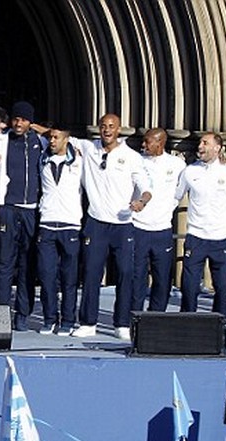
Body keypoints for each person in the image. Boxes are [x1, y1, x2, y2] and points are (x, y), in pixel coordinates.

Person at [68, 114, 152, 340]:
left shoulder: (131, 157)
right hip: (96, 222)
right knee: (91, 272)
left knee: (125, 272)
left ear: (119, 130)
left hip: (122, 224)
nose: (107, 130)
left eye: (111, 127)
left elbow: (146, 187)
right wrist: (30, 124)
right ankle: (88, 322)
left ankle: (122, 323)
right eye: (103, 126)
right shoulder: (89, 148)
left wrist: (141, 202)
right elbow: (59, 135)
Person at [175, 133, 226, 318]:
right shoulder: (190, 171)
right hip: (196, 238)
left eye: (205, 143)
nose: (200, 146)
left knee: (224, 287)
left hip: (221, 239)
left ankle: (219, 325)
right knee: (189, 287)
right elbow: (175, 198)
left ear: (217, 148)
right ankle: (187, 323)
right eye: (200, 143)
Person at [0, 101, 45, 331]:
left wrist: (40, 129)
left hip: (31, 209)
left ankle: (23, 312)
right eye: (16, 119)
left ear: (30, 121)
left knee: (27, 263)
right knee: (4, 262)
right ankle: (0, 312)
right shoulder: (1, 141)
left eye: (23, 119)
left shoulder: (41, 142)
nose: (18, 123)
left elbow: (63, 138)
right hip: (8, 208)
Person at [131, 128, 185, 312]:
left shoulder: (177, 164)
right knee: (137, 276)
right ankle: (135, 316)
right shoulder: (137, 161)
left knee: (162, 278)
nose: (143, 145)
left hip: (162, 229)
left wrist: (168, 208)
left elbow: (180, 191)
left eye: (147, 141)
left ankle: (156, 316)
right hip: (138, 226)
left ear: (160, 142)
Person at [36, 126, 82, 335]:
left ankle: (68, 320)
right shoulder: (42, 158)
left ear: (66, 140)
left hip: (70, 224)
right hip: (47, 223)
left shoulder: (79, 159)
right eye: (51, 137)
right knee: (47, 276)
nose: (52, 141)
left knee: (69, 278)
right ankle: (49, 318)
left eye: (56, 137)